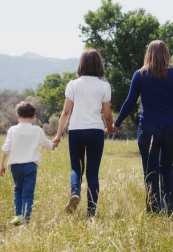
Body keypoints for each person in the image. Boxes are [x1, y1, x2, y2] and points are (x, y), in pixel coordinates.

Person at [107, 40, 173, 216]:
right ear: (167, 55)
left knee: (150, 171)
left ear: (148, 54)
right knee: (167, 167)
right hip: (172, 128)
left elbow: (130, 102)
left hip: (148, 129)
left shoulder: (140, 75)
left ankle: (154, 212)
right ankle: (170, 209)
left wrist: (115, 123)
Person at [52, 49, 114, 217]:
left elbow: (65, 112)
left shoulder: (73, 84)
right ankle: (91, 213)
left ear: (81, 64)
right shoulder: (104, 86)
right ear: (99, 65)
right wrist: (108, 128)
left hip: (76, 130)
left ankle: (75, 192)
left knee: (76, 168)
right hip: (96, 131)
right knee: (93, 173)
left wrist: (58, 135)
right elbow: (107, 115)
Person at [0, 101, 58, 225]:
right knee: (28, 192)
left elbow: (6, 148)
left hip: (15, 166)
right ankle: (26, 218)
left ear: (17, 115)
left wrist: (2, 165)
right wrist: (53, 144)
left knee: (18, 189)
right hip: (30, 166)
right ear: (33, 116)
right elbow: (46, 145)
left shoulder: (12, 130)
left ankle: (18, 216)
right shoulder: (37, 130)